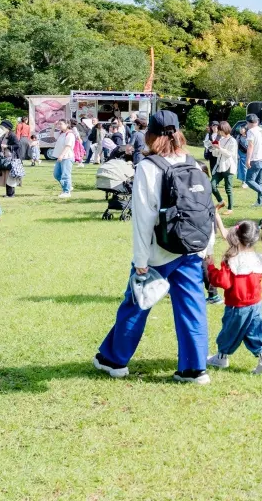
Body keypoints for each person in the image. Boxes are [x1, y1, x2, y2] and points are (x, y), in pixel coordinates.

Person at [94, 110, 215, 385]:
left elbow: (143, 218)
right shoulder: (194, 164)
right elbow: (205, 209)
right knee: (192, 308)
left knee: (136, 304)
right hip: (191, 247)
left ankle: (114, 360)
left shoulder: (148, 167)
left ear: (150, 134)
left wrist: (140, 259)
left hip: (159, 250)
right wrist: (207, 248)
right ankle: (194, 368)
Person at [206, 221, 262, 375]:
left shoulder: (232, 259)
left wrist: (210, 267)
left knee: (229, 332)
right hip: (256, 304)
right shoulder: (259, 258)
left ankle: (221, 357)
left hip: (236, 306)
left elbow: (222, 282)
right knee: (257, 331)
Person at [209, 121, 239, 213]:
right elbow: (216, 154)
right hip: (219, 166)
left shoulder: (232, 141)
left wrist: (219, 148)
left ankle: (230, 209)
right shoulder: (221, 140)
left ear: (225, 130)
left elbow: (229, 154)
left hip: (228, 166)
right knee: (212, 185)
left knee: (228, 188)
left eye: (220, 130)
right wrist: (213, 147)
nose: (218, 132)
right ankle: (221, 202)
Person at [244, 115, 262, 207]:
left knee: (249, 180)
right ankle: (260, 202)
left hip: (256, 158)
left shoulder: (251, 131)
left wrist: (248, 160)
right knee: (259, 182)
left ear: (248, 122)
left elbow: (250, 146)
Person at [52, 120, 76, 197]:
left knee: (65, 175)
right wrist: (54, 126)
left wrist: (62, 155)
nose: (59, 125)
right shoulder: (61, 133)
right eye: (58, 124)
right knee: (56, 174)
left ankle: (66, 191)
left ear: (67, 124)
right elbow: (51, 135)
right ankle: (68, 186)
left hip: (67, 157)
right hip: (60, 157)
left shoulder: (70, 134)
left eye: (61, 124)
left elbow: (68, 146)